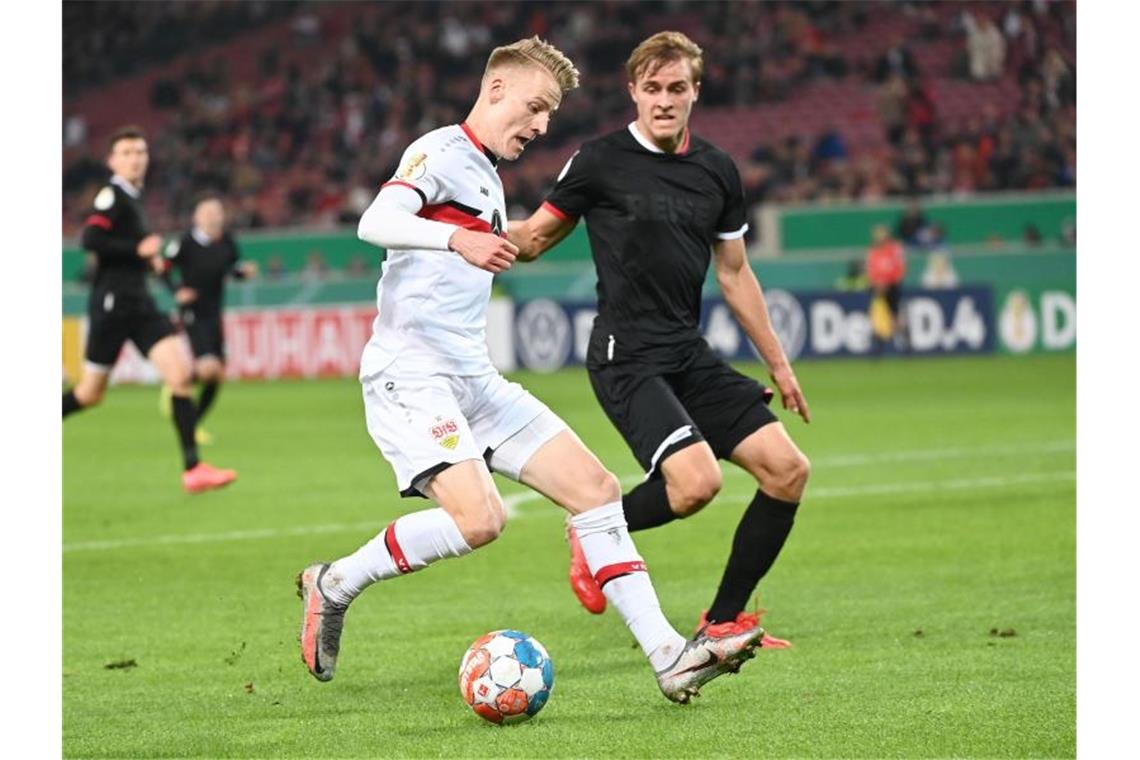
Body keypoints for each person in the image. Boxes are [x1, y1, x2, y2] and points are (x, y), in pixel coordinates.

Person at [295, 37, 765, 705]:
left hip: (473, 377)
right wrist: (455, 236)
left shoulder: (485, 175)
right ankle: (335, 582)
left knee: (597, 490)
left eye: (548, 114)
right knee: (482, 520)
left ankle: (668, 656)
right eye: (535, 107)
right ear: (495, 92)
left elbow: (518, 234)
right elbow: (377, 220)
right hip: (412, 373)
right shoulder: (441, 151)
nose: (542, 125)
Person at [509, 32, 811, 649]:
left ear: (695, 92)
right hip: (626, 355)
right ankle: (591, 529)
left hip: (686, 352)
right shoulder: (599, 161)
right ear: (633, 93)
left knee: (787, 470)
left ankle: (723, 620)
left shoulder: (717, 171)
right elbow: (535, 239)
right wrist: (452, 230)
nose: (665, 100)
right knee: (697, 484)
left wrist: (779, 366)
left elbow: (734, 272)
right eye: (652, 89)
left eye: (677, 88)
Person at [62, 126, 237, 494]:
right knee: (90, 393)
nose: (135, 158)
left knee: (180, 374)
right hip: (112, 306)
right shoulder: (112, 196)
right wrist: (137, 251)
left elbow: (127, 250)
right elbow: (91, 239)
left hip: (139, 304)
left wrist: (150, 263)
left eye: (140, 152)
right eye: (126, 152)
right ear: (112, 160)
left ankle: (193, 469)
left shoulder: (133, 199)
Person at [159, 193, 258, 443]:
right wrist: (176, 291)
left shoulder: (226, 242)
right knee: (209, 367)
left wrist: (242, 273)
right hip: (193, 312)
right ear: (197, 218)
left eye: (218, 213)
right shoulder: (184, 243)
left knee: (217, 375)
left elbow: (230, 269)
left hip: (215, 312)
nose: (215, 218)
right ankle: (177, 388)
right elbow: (162, 269)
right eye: (209, 213)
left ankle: (191, 419)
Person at [865, 224, 908, 351]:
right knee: (877, 312)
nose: (879, 238)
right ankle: (878, 341)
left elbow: (901, 267)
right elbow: (871, 270)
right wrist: (876, 283)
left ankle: (902, 339)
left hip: (892, 286)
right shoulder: (873, 251)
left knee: (895, 313)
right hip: (878, 288)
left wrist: (890, 281)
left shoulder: (895, 249)